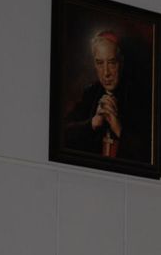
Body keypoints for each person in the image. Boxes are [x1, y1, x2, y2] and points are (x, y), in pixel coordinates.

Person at [63, 30, 151, 162]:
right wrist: (92, 123)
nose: (106, 73)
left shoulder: (139, 96)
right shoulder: (91, 93)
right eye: (100, 63)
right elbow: (63, 136)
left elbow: (149, 154)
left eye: (112, 62)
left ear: (121, 62)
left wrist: (118, 128)